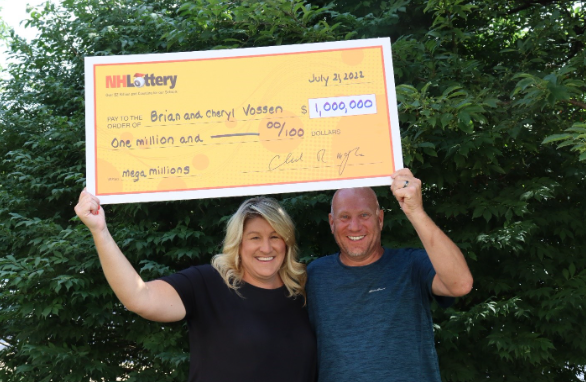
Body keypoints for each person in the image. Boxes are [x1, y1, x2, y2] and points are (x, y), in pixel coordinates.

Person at [75, 190, 317, 382]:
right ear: (238, 243)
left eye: (275, 236)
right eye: (255, 237)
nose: (266, 247)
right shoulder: (207, 284)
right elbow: (139, 297)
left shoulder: (304, 291)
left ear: (286, 243)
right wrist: (100, 230)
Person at [306, 168, 473, 382]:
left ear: (380, 219)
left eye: (364, 215)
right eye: (345, 217)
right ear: (332, 223)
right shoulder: (314, 274)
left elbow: (460, 284)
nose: (354, 226)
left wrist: (415, 212)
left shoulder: (411, 265)